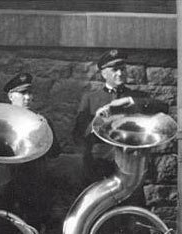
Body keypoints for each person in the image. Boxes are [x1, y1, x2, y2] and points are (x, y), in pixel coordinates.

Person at [72, 49, 169, 185]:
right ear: (104, 74)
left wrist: (130, 101)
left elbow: (164, 107)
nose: (120, 73)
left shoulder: (137, 97)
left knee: (132, 205)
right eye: (115, 70)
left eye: (123, 69)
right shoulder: (90, 98)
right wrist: (96, 121)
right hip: (99, 167)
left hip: (131, 165)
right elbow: (78, 136)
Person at [0, 73, 61, 231]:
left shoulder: (41, 120)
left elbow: (54, 152)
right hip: (6, 186)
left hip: (33, 186)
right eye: (22, 93)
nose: (27, 97)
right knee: (4, 233)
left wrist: (46, 130)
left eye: (30, 93)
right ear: (11, 96)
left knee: (33, 231)